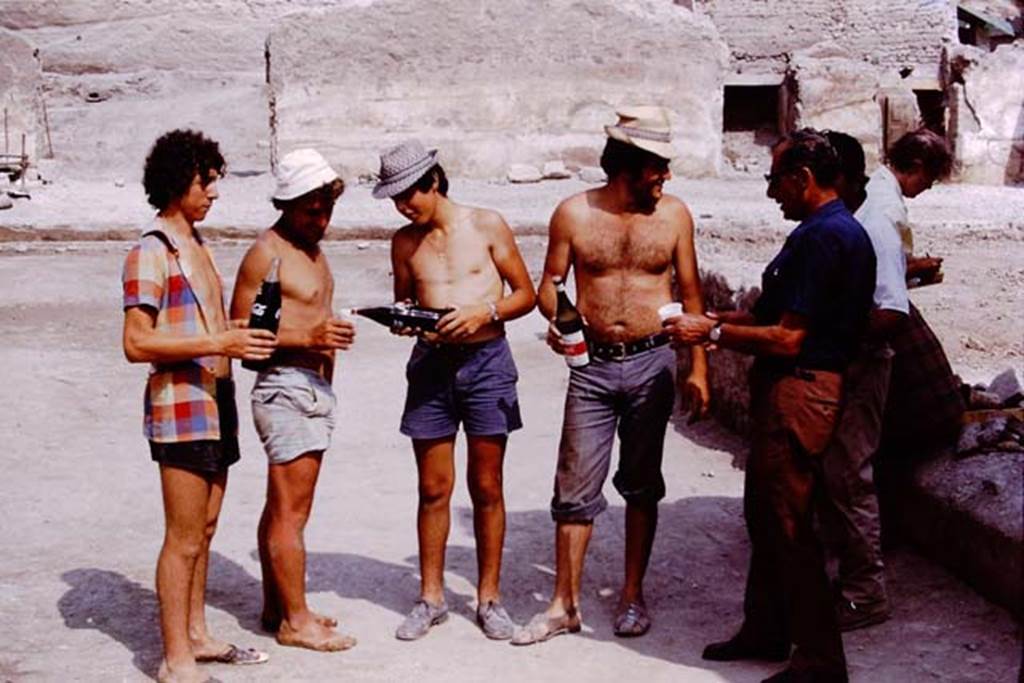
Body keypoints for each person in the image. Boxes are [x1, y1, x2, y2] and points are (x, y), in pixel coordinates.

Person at [668, 128, 876, 683]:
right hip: (793, 387)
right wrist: (719, 322)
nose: (770, 193)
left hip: (801, 389)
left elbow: (789, 338)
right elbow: (777, 318)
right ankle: (766, 627)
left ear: (803, 179)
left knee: (789, 525)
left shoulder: (824, 237)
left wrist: (711, 335)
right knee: (765, 515)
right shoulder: (823, 231)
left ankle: (818, 662)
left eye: (775, 180)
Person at [512, 105, 710, 646]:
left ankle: (631, 596)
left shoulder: (674, 216)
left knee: (642, 484)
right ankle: (563, 604)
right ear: (630, 164)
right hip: (592, 367)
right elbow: (549, 284)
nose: (664, 178)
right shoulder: (573, 214)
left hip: (653, 362)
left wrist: (699, 369)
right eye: (657, 167)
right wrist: (562, 321)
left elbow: (690, 294)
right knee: (574, 488)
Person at [122, 129, 275, 683]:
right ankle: (174, 660)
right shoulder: (151, 250)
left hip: (217, 400)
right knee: (182, 538)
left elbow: (207, 326)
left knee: (206, 529)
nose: (213, 193)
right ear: (176, 182)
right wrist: (220, 343)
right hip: (181, 406)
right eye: (204, 182)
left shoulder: (197, 245)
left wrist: (242, 335)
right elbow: (136, 342)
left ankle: (197, 635)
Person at [374, 139, 537, 641]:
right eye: (396, 199)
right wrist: (405, 323)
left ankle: (489, 599)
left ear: (435, 182)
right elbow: (404, 302)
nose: (403, 207)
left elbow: (526, 295)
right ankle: (431, 597)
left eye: (408, 195)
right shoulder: (404, 242)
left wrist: (481, 312)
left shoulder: (486, 224)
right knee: (432, 488)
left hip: (487, 363)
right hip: (430, 367)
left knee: (486, 486)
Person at [229, 148, 357, 652]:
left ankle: (278, 605)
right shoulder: (270, 253)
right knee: (291, 512)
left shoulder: (309, 249)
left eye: (327, 209)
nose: (322, 220)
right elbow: (240, 327)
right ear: (287, 204)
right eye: (312, 211)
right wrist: (311, 335)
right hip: (285, 387)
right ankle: (295, 622)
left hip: (309, 387)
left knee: (280, 506)